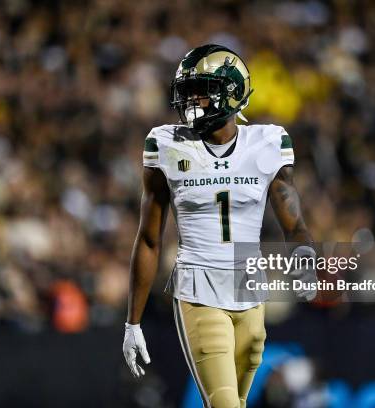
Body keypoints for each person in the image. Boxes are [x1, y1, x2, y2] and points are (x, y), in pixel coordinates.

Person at [123, 44, 317, 408]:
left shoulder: (267, 142)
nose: (191, 101)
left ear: (232, 93)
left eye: (202, 91)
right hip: (198, 288)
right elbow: (149, 239)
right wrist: (133, 322)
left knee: (237, 402)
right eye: (188, 92)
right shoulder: (166, 145)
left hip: (250, 290)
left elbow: (295, 225)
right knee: (224, 403)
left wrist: (304, 258)